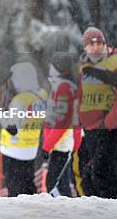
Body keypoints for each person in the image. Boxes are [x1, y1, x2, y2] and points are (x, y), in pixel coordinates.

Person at [76, 27, 117, 199]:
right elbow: (81, 93)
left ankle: (113, 206)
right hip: (89, 129)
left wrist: (109, 122)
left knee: (104, 170)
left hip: (109, 128)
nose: (95, 47)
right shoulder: (84, 65)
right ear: (85, 47)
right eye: (91, 44)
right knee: (87, 172)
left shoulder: (115, 63)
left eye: (99, 43)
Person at [34, 53, 81, 197]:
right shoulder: (60, 86)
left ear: (58, 68)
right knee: (59, 184)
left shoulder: (64, 88)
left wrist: (47, 145)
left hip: (62, 144)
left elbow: (63, 122)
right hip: (59, 143)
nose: (49, 68)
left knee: (54, 185)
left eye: (52, 65)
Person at [0, 62, 46, 197]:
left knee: (15, 188)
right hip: (30, 148)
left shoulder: (20, 100)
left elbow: (11, 128)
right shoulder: (40, 97)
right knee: (28, 185)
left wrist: (1, 114)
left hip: (13, 149)